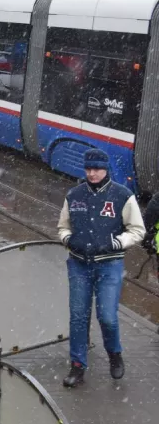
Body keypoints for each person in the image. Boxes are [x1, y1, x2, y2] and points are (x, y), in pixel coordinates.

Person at [57, 148, 144, 386]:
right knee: (78, 317)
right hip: (78, 265)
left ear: (106, 169)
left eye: (96, 169)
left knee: (107, 316)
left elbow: (137, 230)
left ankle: (114, 354)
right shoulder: (74, 195)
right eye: (88, 169)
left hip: (110, 266)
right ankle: (77, 366)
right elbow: (62, 227)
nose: (92, 173)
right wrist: (67, 239)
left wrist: (116, 242)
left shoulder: (122, 195)